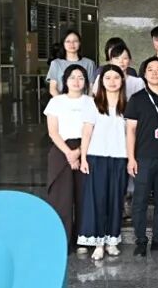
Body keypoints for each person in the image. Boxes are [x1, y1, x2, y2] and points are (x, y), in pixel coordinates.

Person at [125, 57, 158, 257]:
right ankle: (140, 240)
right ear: (144, 74)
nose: (155, 73)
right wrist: (131, 158)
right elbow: (130, 131)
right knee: (140, 201)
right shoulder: (137, 99)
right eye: (150, 70)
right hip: (143, 158)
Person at [78, 64, 128, 260]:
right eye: (108, 78)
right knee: (98, 200)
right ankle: (99, 243)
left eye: (116, 77)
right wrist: (83, 157)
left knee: (116, 200)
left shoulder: (128, 105)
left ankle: (112, 241)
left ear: (122, 80)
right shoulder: (93, 104)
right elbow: (86, 132)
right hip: (97, 157)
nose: (112, 81)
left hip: (120, 157)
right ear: (101, 81)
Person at [44, 64, 92, 251]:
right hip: (61, 149)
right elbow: (53, 132)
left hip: (86, 149)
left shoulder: (91, 102)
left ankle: (83, 239)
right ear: (65, 81)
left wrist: (79, 152)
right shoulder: (56, 102)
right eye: (72, 77)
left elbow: (92, 130)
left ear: (86, 82)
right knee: (61, 197)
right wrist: (69, 153)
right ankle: (62, 240)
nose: (76, 81)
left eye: (81, 77)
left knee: (83, 197)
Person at [47, 29, 96, 97]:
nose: (72, 44)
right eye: (68, 41)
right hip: (62, 101)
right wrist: (62, 102)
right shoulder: (55, 63)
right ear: (63, 44)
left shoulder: (89, 63)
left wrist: (87, 101)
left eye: (75, 41)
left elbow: (91, 87)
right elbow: (53, 89)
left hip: (83, 101)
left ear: (79, 43)